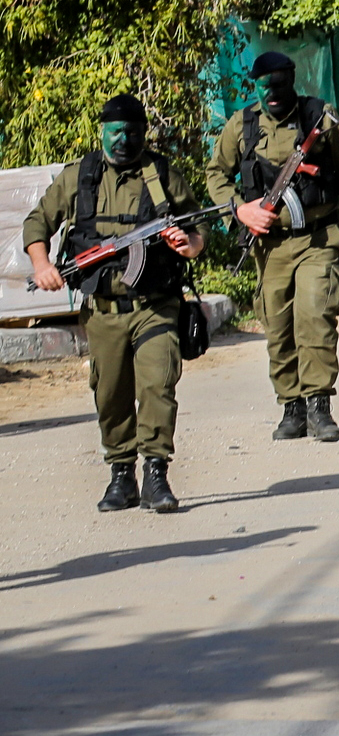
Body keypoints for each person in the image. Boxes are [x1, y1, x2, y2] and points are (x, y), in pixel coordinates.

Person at [24, 93, 206, 513]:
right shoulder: (79, 177)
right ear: (102, 132)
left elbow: (196, 229)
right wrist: (42, 264)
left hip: (156, 304)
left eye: (132, 132)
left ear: (144, 133)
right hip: (103, 310)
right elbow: (37, 222)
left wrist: (187, 245)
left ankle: (156, 473)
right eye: (115, 132)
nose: (124, 140)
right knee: (110, 394)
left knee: (159, 383)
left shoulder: (161, 174)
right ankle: (121, 474)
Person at [207, 52, 339, 444]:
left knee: (316, 317)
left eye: (280, 84)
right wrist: (241, 210)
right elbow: (215, 173)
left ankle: (319, 404)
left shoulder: (318, 117)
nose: (273, 93)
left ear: (292, 80)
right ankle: (291, 406)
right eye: (265, 87)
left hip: (317, 238)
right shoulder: (243, 125)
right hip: (270, 247)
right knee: (278, 326)